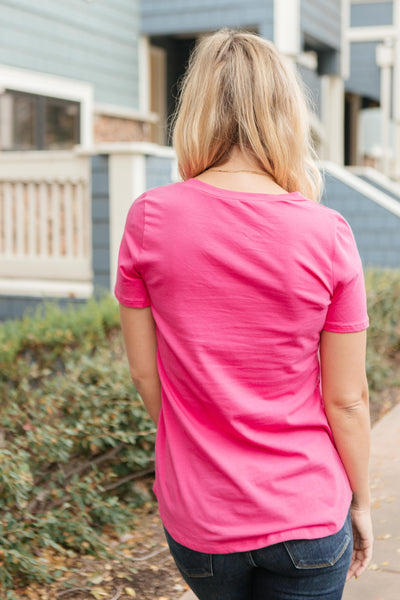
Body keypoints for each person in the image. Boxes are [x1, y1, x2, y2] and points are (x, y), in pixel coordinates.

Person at [114, 29, 373, 600]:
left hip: (201, 521)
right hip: (306, 510)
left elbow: (143, 374)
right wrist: (362, 502)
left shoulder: (149, 218)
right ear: (286, 113)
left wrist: (195, 447)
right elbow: (347, 399)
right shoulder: (327, 233)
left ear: (197, 109)